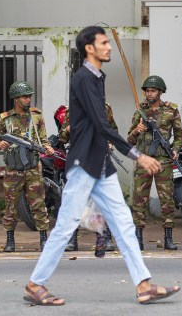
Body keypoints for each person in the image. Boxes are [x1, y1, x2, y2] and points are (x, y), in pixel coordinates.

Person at [23, 25, 179, 307]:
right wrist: (138, 156)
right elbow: (100, 124)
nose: (108, 47)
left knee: (124, 224)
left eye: (108, 42)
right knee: (65, 226)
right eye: (103, 43)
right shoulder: (84, 78)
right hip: (84, 163)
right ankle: (36, 284)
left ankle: (143, 285)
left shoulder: (97, 76)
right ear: (89, 49)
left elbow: (100, 126)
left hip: (100, 164)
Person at [0, 80, 54, 253]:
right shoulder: (4, 119)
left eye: (29, 96)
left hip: (33, 167)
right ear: (16, 98)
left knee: (39, 204)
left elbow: (43, 139)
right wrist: (0, 144)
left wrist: (47, 148)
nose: (28, 99)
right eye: (25, 97)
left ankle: (43, 239)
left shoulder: (36, 117)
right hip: (13, 169)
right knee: (11, 205)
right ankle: (10, 240)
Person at [127, 75, 182, 251]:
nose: (149, 94)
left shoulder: (171, 110)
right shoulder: (140, 112)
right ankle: (138, 237)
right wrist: (137, 130)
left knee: (166, 200)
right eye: (147, 91)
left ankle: (168, 237)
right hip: (144, 160)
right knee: (139, 199)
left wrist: (175, 149)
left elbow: (180, 134)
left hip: (163, 161)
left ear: (160, 92)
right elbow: (129, 140)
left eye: (152, 91)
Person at [55, 103, 119, 253]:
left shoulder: (105, 108)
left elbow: (112, 130)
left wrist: (109, 142)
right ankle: (72, 239)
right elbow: (62, 138)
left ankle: (104, 238)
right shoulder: (73, 109)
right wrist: (68, 130)